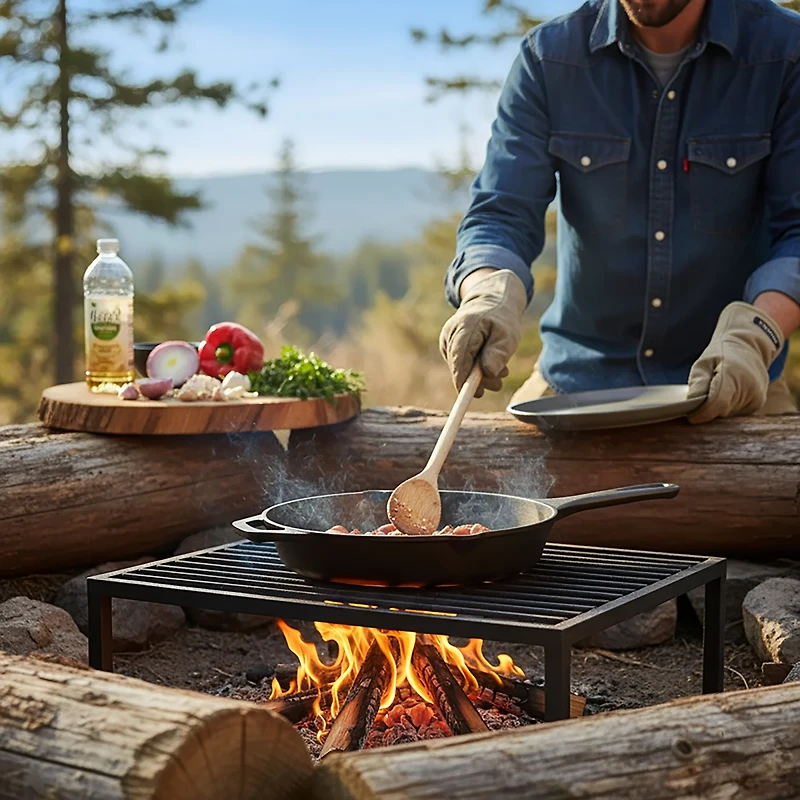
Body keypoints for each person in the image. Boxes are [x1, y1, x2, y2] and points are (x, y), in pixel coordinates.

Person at [439, 0, 800, 422]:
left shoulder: (786, 51)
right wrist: (488, 293)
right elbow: (501, 213)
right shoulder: (548, 56)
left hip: (738, 384)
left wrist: (754, 337)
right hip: (575, 382)